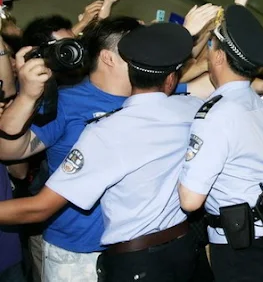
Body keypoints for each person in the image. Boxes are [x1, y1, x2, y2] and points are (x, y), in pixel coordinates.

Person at [0, 22, 203, 282]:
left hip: (133, 252)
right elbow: (10, 151)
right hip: (77, 251)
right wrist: (27, 96)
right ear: (108, 57)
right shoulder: (66, 102)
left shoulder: (152, 96)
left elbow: (212, 85)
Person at [179, 4, 263, 282]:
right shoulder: (253, 100)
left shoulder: (215, 114)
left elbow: (190, 201)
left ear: (217, 56)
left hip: (240, 244)